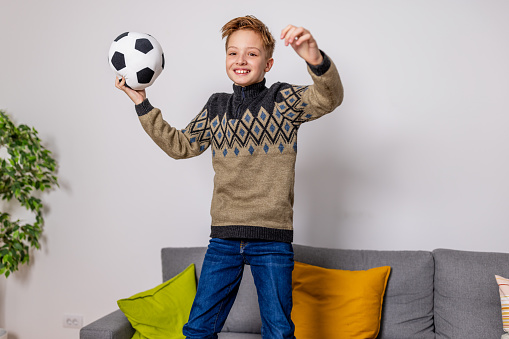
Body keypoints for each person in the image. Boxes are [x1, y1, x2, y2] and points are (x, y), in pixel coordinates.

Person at [115, 15, 343, 339]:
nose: (241, 60)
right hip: (224, 238)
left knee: (279, 331)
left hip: (272, 240)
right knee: (197, 330)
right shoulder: (216, 107)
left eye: (251, 53)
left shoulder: (283, 101)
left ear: (269, 63)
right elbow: (180, 146)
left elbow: (329, 98)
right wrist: (142, 104)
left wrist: (315, 59)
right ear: (225, 59)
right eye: (233, 53)